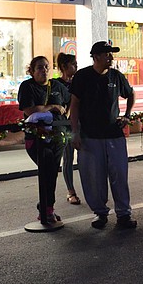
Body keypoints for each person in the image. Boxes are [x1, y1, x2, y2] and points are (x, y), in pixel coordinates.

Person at [69, 41, 137, 229]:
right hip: (90, 136)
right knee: (93, 177)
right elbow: (74, 106)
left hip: (114, 134)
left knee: (119, 175)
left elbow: (130, 94)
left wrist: (127, 115)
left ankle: (124, 214)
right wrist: (75, 132)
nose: (111, 58)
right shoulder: (82, 76)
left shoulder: (116, 76)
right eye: (107, 54)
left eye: (111, 54)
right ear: (96, 56)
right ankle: (100, 213)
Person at [18, 56, 69, 224]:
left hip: (58, 137)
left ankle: (47, 209)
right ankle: (46, 208)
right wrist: (53, 107)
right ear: (31, 71)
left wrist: (65, 116)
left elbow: (69, 104)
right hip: (36, 138)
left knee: (52, 172)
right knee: (46, 169)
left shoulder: (57, 86)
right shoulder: (27, 87)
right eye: (39, 67)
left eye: (47, 67)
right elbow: (30, 110)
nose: (44, 70)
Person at [56, 53, 79, 205]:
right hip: (65, 126)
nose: (76, 67)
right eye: (73, 64)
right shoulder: (56, 84)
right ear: (64, 67)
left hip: (81, 124)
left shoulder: (79, 81)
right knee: (68, 158)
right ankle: (71, 191)